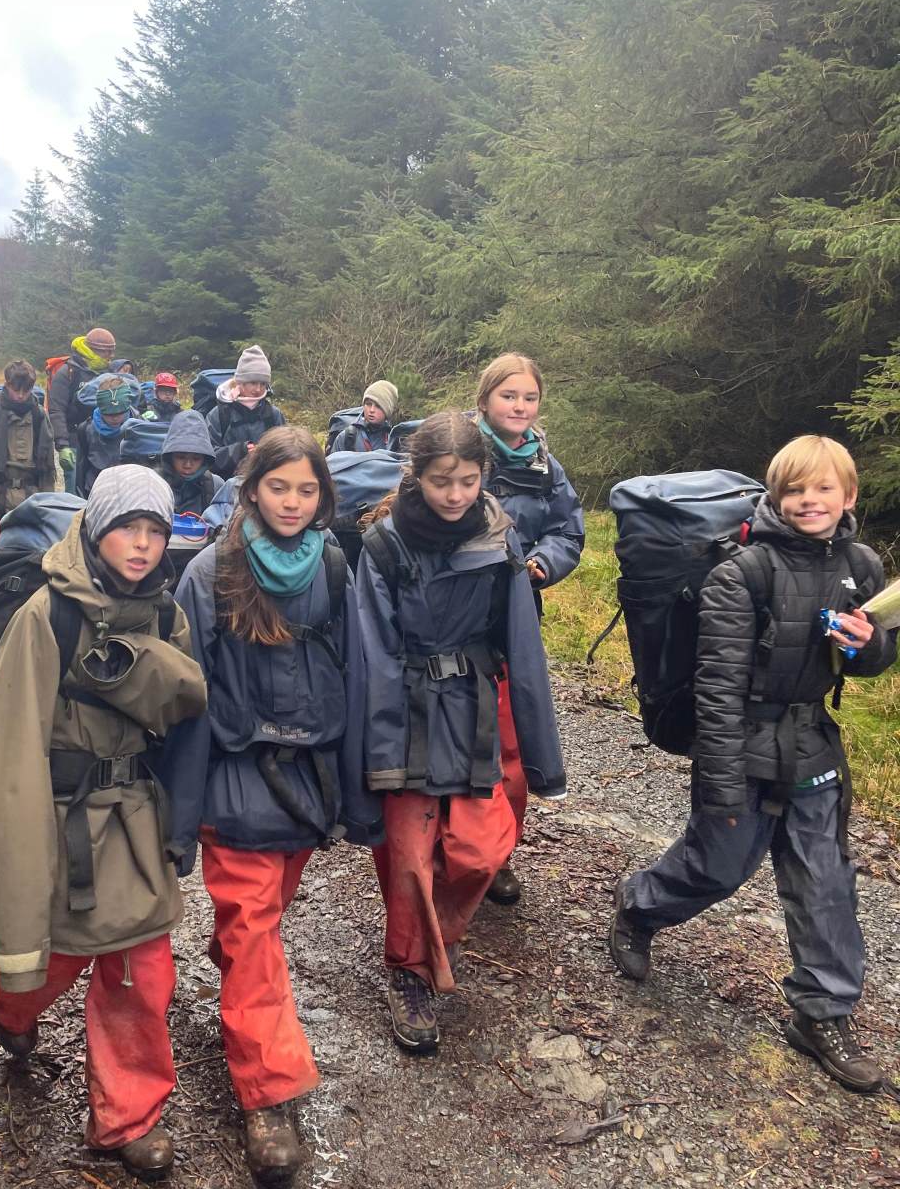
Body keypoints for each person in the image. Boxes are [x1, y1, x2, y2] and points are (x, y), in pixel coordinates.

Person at [610, 435, 896, 1094]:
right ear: (775, 496)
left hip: (813, 743)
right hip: (741, 743)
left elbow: (873, 662)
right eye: (795, 490)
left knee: (825, 880)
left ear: (848, 496)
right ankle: (638, 905)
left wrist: (871, 644)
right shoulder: (741, 574)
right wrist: (721, 784)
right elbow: (717, 688)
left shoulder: (860, 566)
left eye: (823, 489)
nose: (809, 501)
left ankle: (822, 1013)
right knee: (718, 866)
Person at [0, 466, 208, 1179]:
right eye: (126, 528)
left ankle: (127, 1118)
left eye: (155, 531)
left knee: (142, 970)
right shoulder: (47, 615)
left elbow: (184, 729)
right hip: (60, 820)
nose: (142, 545)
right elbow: (10, 744)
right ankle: (5, 1001)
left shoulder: (166, 614)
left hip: (135, 819)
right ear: (97, 530)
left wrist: (182, 825)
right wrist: (21, 857)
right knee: (45, 959)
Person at [162, 428, 379, 1184]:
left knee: (261, 920)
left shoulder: (335, 567)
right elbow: (186, 698)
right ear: (251, 489)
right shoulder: (208, 572)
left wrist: (357, 791)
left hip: (308, 782)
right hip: (235, 776)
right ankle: (269, 1094)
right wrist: (181, 817)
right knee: (255, 932)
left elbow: (357, 676)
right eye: (278, 487)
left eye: (306, 490)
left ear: (324, 497)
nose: (292, 502)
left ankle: (241, 973)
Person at [356, 412, 565, 1056]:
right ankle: (410, 971)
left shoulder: (500, 541)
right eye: (441, 481)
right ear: (416, 477)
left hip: (472, 707)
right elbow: (372, 652)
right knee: (408, 856)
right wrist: (379, 754)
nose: (455, 494)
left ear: (484, 476)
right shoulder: (385, 546)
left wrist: (543, 758)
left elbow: (522, 647)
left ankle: (436, 933)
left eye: (468, 481)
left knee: (479, 850)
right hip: (407, 713)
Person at [475, 353, 585, 905]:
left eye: (529, 397)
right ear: (485, 399)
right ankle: (451, 848)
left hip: (515, 625)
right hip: (450, 620)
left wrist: (543, 561)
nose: (519, 406)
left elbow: (569, 531)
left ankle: (498, 855)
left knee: (512, 750)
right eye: (508, 395)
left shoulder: (546, 466)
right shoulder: (460, 449)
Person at [0, 360, 57, 552]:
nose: (21, 395)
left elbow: (47, 463)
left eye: (26, 390)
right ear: (7, 384)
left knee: (28, 544)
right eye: (16, 389)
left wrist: (49, 501)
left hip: (30, 491)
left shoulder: (39, 415)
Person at [47, 328, 116, 493]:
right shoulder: (68, 373)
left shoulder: (109, 372)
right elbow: (57, 410)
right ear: (94, 350)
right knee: (75, 491)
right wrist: (62, 445)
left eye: (112, 351)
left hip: (103, 441)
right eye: (107, 352)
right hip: (74, 440)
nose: (111, 356)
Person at [204, 345, 286, 478]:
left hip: (266, 482)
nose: (258, 389)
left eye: (263, 383)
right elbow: (207, 457)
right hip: (227, 484)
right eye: (253, 383)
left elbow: (286, 452)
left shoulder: (273, 414)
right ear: (240, 382)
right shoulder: (218, 415)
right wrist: (241, 451)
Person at [80, 375, 140, 496]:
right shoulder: (86, 429)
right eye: (109, 414)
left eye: (119, 413)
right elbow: (82, 467)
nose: (115, 418)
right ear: (100, 408)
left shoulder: (139, 428)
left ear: (127, 407)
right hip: (97, 491)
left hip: (130, 491)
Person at [159, 410, 225, 515]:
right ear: (170, 456)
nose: (188, 465)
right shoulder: (154, 482)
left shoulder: (215, 486)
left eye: (196, 459)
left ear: (205, 459)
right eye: (181, 457)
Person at [330, 380, 398, 454]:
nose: (372, 410)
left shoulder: (395, 441)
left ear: (387, 410)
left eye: (378, 406)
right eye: (368, 404)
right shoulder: (348, 437)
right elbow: (334, 461)